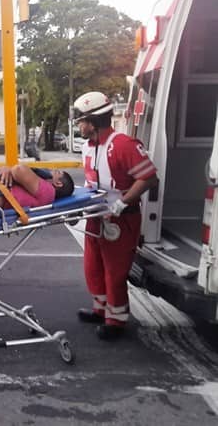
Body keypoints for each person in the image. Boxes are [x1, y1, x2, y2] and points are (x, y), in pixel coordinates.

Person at [73, 91, 158, 341]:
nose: (79, 125)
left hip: (121, 219)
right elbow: (92, 182)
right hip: (96, 216)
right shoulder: (89, 147)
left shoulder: (122, 145)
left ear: (94, 122)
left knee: (115, 271)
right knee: (93, 267)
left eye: (82, 121)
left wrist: (123, 202)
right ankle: (100, 308)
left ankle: (116, 320)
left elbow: (149, 177)